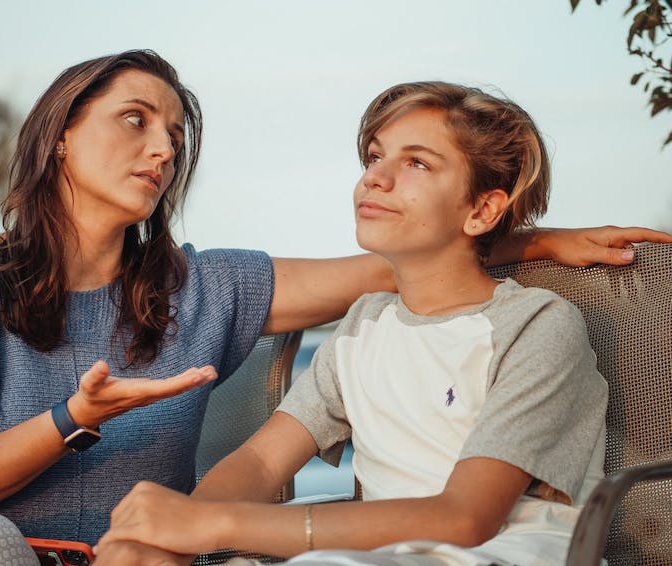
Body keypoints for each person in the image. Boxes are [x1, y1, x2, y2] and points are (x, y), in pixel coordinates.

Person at [0, 50, 668, 563]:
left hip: (162, 555)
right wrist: (75, 422)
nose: (164, 152)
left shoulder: (205, 287)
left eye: (175, 137)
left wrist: (536, 241)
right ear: (59, 136)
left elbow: (407, 263)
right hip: (3, 550)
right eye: (135, 120)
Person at [94, 80, 652, 566]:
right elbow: (263, 460)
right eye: (374, 158)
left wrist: (215, 527)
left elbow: (466, 520)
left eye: (416, 163)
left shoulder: (536, 326)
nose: (375, 179)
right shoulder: (364, 326)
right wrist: (167, 537)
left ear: (482, 211)